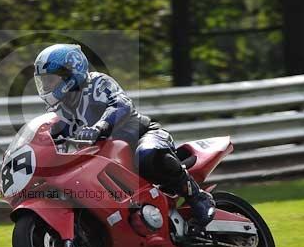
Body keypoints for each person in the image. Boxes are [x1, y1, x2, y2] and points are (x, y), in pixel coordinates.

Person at [33, 43, 216, 231]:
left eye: (50, 80)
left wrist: (99, 126)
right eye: (43, 81)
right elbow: (51, 137)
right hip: (108, 157)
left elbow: (121, 104)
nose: (46, 86)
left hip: (142, 135)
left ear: (70, 73)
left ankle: (198, 197)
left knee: (147, 154)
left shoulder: (97, 83)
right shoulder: (59, 110)